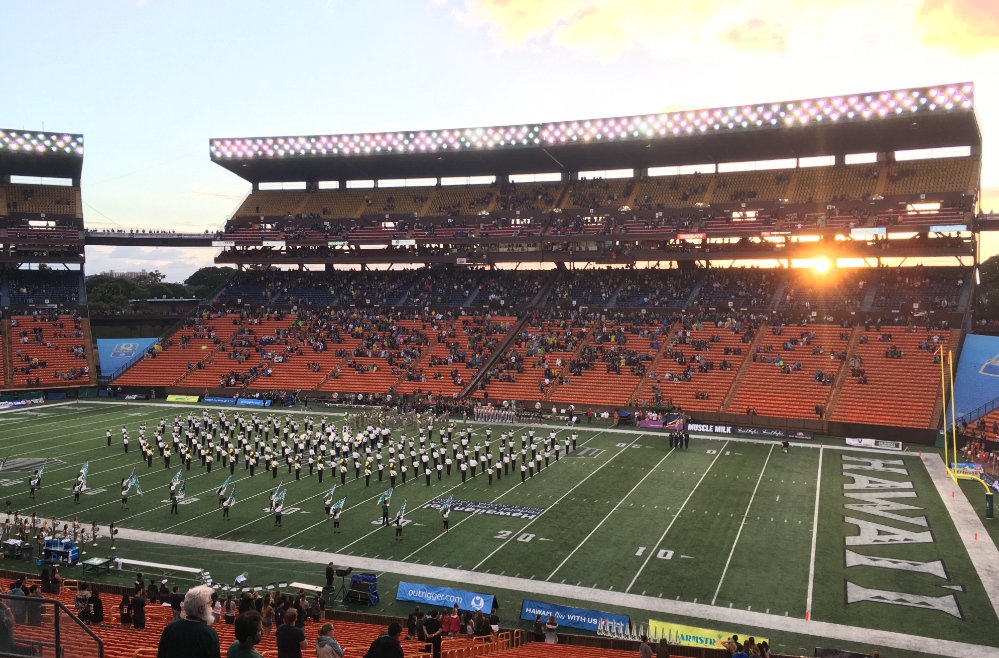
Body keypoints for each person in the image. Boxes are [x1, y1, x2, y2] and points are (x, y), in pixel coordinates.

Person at [156, 585, 221, 658]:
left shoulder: (170, 627)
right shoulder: (209, 634)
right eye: (209, 603)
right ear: (201, 608)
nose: (211, 606)